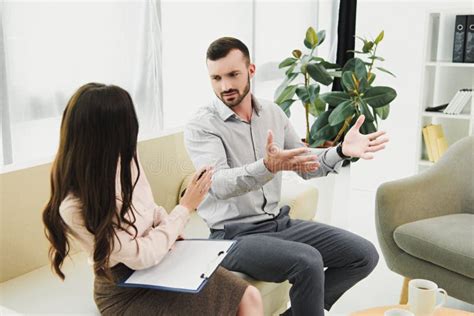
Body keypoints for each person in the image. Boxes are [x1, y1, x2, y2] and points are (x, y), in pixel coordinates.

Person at [184, 37, 388, 316]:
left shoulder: (272, 112)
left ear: (251, 71)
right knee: (308, 261)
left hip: (278, 223)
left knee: (363, 255)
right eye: (216, 78)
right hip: (230, 237)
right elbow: (218, 185)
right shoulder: (202, 125)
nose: (225, 86)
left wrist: (341, 151)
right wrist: (267, 166)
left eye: (233, 74)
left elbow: (303, 163)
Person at [42, 83, 263, 316]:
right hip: (124, 287)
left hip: (163, 261)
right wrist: (184, 209)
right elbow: (140, 256)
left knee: (249, 296)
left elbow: (150, 208)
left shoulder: (125, 159)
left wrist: (169, 228)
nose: (131, 136)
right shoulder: (73, 207)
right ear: (103, 136)